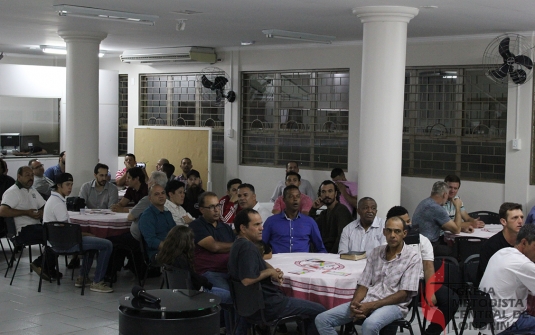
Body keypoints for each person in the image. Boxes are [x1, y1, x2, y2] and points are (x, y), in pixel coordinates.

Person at [315, 216, 422, 335]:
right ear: (384, 232)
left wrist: (372, 306)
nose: (392, 235)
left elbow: (404, 294)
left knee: (370, 325)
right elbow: (363, 284)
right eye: (389, 230)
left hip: (394, 305)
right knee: (322, 319)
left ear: (404, 233)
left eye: (397, 231)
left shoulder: (413, 257)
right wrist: (355, 302)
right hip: (368, 300)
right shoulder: (376, 252)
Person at [229, 208, 326, 335]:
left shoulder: (238, 244)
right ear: (243, 228)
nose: (262, 228)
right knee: (320, 310)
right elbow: (247, 280)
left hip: (247, 306)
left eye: (261, 224)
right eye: (256, 225)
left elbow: (259, 262)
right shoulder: (248, 248)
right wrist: (269, 273)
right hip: (268, 305)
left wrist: (272, 270)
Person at [385, 206, 459, 335]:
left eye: (409, 221)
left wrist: (430, 291)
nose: (409, 225)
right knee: (389, 304)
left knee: (451, 298)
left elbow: (428, 266)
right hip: (394, 285)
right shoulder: (385, 241)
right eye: (405, 222)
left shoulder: (422, 240)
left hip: (420, 283)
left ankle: (430, 333)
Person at [43, 173, 114, 293]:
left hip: (56, 243)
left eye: (71, 184)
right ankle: (97, 282)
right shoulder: (57, 203)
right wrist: (85, 234)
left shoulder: (53, 199)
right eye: (67, 184)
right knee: (107, 244)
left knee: (93, 243)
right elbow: (66, 231)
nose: (70, 187)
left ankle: (83, 277)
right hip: (65, 244)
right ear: (59, 186)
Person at [106, 171, 168, 281]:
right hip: (154, 239)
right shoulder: (166, 200)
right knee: (121, 239)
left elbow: (131, 217)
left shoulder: (148, 199)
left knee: (111, 241)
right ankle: (128, 266)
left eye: (149, 181)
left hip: (140, 239)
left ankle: (109, 275)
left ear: (153, 183)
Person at [479, 224, 535, 334]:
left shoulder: (502, 252)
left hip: (486, 322)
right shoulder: (523, 263)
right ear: (524, 243)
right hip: (507, 324)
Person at [156, 225, 232, 302]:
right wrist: (207, 283)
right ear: (185, 242)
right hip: (196, 294)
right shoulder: (181, 260)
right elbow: (195, 280)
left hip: (183, 293)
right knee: (233, 297)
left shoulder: (169, 257)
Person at [0, 166, 48, 277]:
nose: (31, 178)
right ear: (19, 176)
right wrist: (26, 212)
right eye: (27, 175)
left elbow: (45, 206)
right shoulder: (12, 192)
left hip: (36, 227)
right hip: (22, 231)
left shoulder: (32, 190)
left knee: (55, 233)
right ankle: (40, 264)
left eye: (32, 175)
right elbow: (2, 211)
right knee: (54, 235)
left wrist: (41, 212)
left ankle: (46, 265)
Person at [412, 181, 473, 256]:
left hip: (417, 244)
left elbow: (444, 226)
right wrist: (457, 207)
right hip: (428, 246)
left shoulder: (424, 202)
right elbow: (456, 230)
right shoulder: (436, 208)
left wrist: (463, 229)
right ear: (445, 194)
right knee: (457, 251)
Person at [189, 191, 236, 290]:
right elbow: (214, 247)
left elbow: (237, 249)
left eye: (217, 206)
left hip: (230, 270)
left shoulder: (225, 227)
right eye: (211, 207)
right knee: (227, 296)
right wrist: (238, 244)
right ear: (202, 210)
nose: (216, 210)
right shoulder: (196, 226)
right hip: (209, 272)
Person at [262, 185, 326, 253]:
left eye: (298, 196)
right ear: (284, 199)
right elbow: (261, 245)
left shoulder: (309, 222)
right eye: (291, 196)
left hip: (302, 261)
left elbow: (320, 248)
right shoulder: (271, 221)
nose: (295, 199)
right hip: (278, 261)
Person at [477, 202, 524, 283]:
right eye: (515, 218)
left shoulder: (525, 242)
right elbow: (488, 278)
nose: (520, 221)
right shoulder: (490, 246)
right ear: (503, 222)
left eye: (521, 217)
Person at [309, 180, 353, 253]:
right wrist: (313, 209)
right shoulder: (324, 213)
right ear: (320, 195)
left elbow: (341, 238)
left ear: (335, 193)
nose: (327, 195)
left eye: (330, 191)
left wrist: (330, 256)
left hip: (335, 254)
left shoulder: (341, 210)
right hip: (323, 252)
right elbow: (311, 227)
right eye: (323, 192)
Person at [138, 184, 176, 259]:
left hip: (172, 248)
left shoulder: (167, 212)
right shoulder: (147, 216)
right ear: (150, 198)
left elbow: (175, 232)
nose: (161, 196)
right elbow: (152, 241)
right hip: (157, 253)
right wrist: (172, 249)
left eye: (163, 193)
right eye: (156, 194)